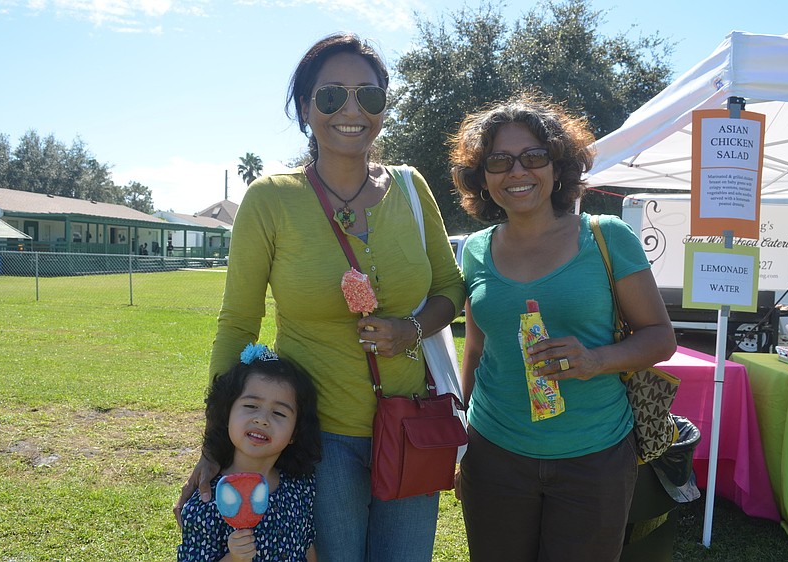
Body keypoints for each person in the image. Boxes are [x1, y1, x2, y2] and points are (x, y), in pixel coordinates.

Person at [174, 33, 465, 562]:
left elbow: (450, 288)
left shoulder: (411, 187)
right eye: (331, 96)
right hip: (318, 442)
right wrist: (218, 442)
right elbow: (238, 321)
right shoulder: (270, 199)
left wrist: (412, 329)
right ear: (306, 108)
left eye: (368, 95)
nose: (351, 110)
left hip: (412, 428)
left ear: (384, 105)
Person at [448, 92, 677, 562]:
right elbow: (474, 349)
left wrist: (596, 360)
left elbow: (660, 337)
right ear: (482, 175)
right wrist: (461, 440)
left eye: (534, 156)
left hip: (594, 458)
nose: (517, 171)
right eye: (499, 160)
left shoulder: (606, 236)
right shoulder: (474, 249)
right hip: (494, 454)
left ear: (558, 168)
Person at [177, 342, 322, 561]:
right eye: (251, 406)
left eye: (279, 413)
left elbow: (306, 546)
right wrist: (234, 557)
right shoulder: (206, 503)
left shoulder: (298, 488)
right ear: (227, 414)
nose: (262, 419)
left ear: (295, 432)